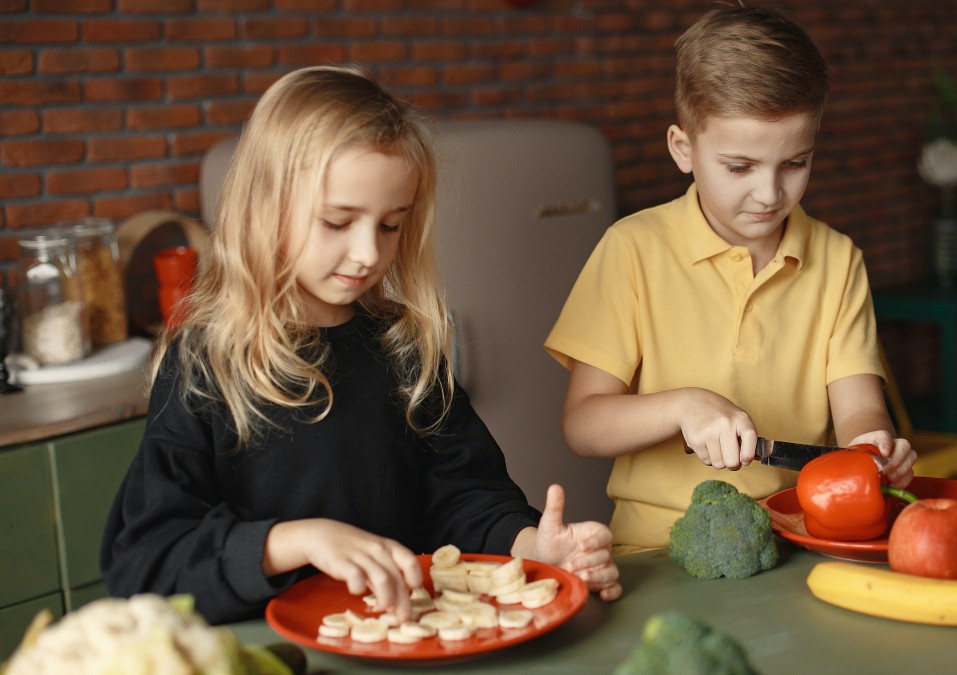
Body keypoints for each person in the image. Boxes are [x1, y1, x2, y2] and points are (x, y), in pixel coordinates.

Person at [101, 64, 622, 625]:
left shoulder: (404, 350)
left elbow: (465, 499)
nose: (369, 253)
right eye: (337, 222)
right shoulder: (205, 364)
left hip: (402, 643)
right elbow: (147, 563)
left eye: (390, 225)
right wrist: (297, 541)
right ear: (266, 207)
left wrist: (533, 548)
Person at [544, 6, 918, 555]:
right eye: (740, 167)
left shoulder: (839, 261)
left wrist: (874, 446)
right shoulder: (632, 249)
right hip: (652, 551)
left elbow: (859, 409)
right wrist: (682, 406)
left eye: (795, 164)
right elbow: (583, 425)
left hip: (793, 540)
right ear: (683, 150)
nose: (769, 194)